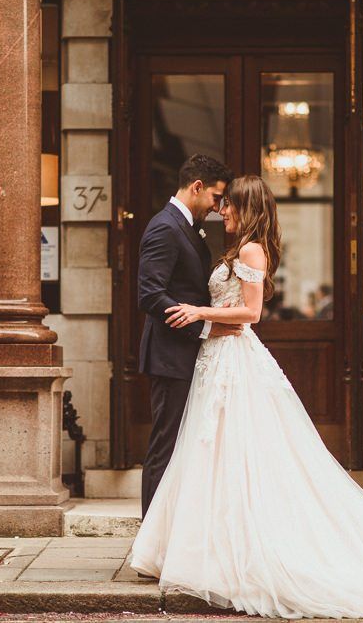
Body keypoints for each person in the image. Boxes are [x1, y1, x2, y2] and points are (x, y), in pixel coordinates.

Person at [130, 175, 363, 619]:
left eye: (229, 205)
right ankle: (202, 544)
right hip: (214, 356)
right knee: (208, 453)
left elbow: (251, 313)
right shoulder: (237, 248)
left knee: (234, 452)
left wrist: (200, 312)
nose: (222, 212)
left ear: (247, 207)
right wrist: (209, 322)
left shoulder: (252, 250)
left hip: (234, 360)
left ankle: (231, 545)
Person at [137, 154, 239, 519]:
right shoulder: (165, 227)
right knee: (165, 447)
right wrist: (206, 325)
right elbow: (150, 293)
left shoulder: (186, 226)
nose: (216, 208)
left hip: (188, 353)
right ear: (196, 187)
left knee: (184, 446)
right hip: (170, 355)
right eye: (215, 197)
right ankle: (150, 538)